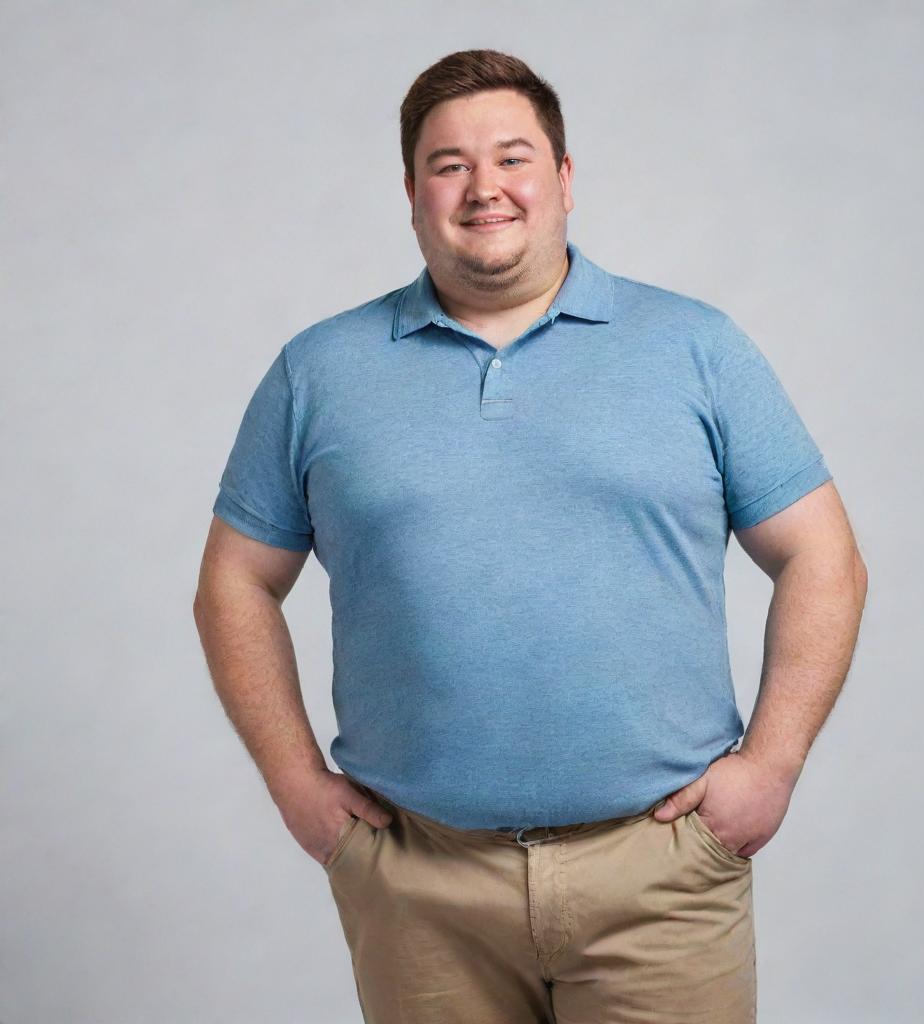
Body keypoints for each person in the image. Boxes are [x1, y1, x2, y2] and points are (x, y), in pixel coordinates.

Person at [193, 48, 868, 1024]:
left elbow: (824, 556)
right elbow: (232, 583)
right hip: (420, 886)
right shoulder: (319, 371)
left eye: (512, 157)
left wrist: (772, 763)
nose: (483, 189)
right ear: (412, 192)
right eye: (448, 164)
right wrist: (295, 782)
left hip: (661, 876)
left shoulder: (695, 349)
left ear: (562, 177)